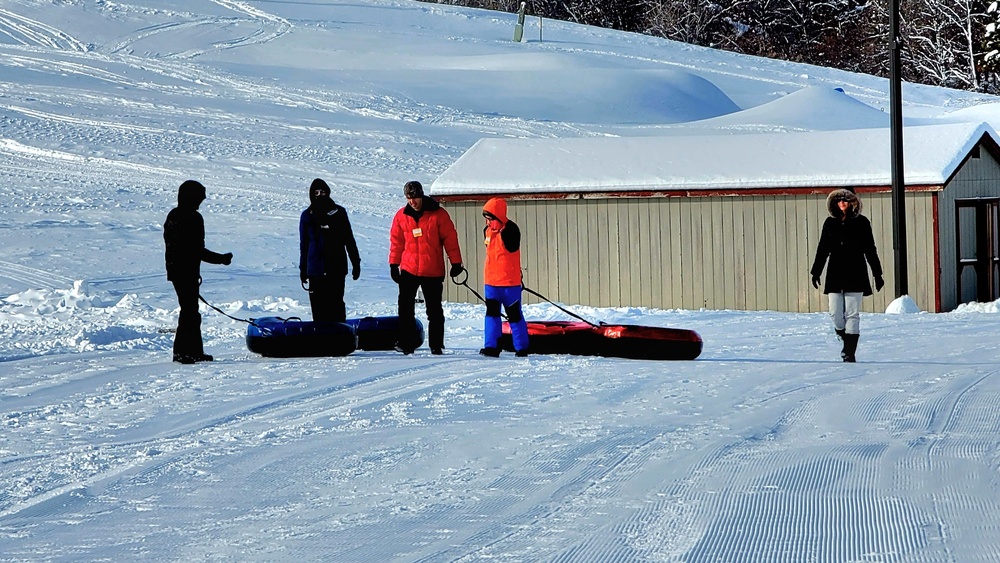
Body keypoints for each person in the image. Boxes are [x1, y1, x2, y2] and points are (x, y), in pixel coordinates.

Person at [388, 180, 463, 355]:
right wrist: (393, 264)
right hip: (409, 269)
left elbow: (450, 239)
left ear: (421, 196)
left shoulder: (438, 214)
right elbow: (396, 242)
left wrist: (456, 263)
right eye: (408, 198)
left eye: (414, 197)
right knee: (405, 308)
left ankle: (436, 345)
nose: (412, 202)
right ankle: (407, 343)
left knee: (434, 311)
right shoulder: (401, 216)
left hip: (432, 270)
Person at [810, 188, 884, 363]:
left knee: (852, 313)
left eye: (845, 200)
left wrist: (877, 273)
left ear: (853, 202)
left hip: (856, 272)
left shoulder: (862, 223)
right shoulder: (830, 223)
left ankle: (849, 352)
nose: (842, 203)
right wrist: (816, 271)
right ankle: (843, 334)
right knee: (835, 313)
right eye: (838, 200)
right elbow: (823, 248)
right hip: (835, 273)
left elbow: (870, 249)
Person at [163, 180, 233, 364]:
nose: (200, 203)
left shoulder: (174, 215)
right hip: (184, 272)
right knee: (189, 312)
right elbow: (196, 250)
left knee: (191, 312)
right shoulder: (191, 218)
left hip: (179, 271)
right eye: (199, 199)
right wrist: (222, 259)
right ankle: (183, 352)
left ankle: (192, 351)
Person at [299, 178, 361, 322]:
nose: (320, 195)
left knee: (336, 305)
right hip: (315, 269)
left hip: (336, 267)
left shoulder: (339, 213)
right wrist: (303, 269)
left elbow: (349, 239)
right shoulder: (307, 216)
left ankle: (340, 339)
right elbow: (304, 245)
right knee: (318, 307)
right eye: (316, 192)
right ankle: (321, 340)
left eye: (323, 192)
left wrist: (355, 263)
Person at [479, 197, 529, 357]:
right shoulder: (487, 231)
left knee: (514, 316)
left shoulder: (510, 230)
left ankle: (521, 348)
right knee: (491, 314)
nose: (488, 223)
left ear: (499, 217)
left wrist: (500, 230)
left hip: (509, 283)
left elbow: (513, 246)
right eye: (486, 219)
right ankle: (491, 347)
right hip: (491, 283)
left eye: (490, 219)